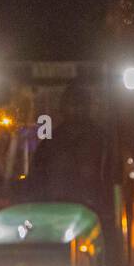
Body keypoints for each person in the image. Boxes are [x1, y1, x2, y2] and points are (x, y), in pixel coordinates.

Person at [25, 79, 107, 210]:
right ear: (62, 107)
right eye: (72, 104)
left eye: (80, 103)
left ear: (88, 106)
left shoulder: (103, 140)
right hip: (54, 211)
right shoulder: (50, 142)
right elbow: (36, 180)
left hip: (94, 212)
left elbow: (113, 178)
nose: (76, 109)